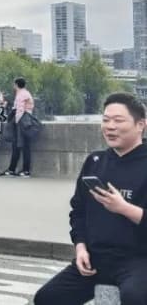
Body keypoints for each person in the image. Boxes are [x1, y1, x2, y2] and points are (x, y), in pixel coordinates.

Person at [34, 93, 147, 305]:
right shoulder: (95, 162)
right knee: (47, 298)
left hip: (138, 260)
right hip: (95, 258)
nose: (110, 126)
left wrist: (124, 208)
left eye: (118, 120)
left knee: (134, 298)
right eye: (105, 120)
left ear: (140, 125)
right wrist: (80, 247)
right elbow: (78, 212)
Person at [4, 76, 35, 177]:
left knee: (21, 146)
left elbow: (19, 109)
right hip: (27, 120)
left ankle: (21, 170)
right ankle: (19, 169)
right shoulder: (26, 93)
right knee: (24, 146)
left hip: (22, 122)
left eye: (14, 84)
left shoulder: (21, 94)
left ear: (16, 84)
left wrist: (16, 121)